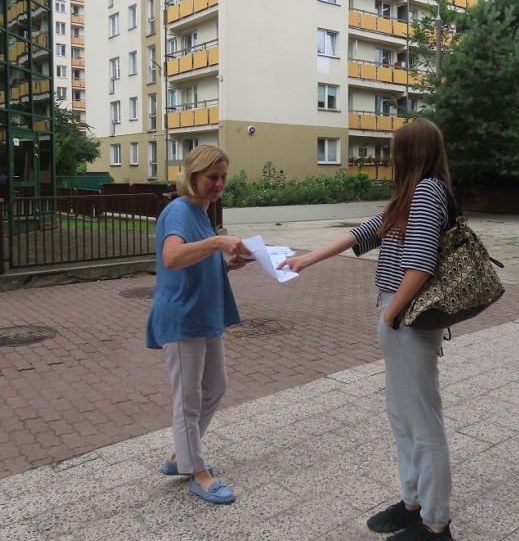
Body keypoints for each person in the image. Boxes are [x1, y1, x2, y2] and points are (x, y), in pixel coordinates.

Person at [279, 119, 455, 540]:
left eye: (395, 150)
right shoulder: (412, 196)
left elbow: (420, 265)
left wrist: (391, 314)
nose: (391, 157)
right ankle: (412, 503)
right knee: (402, 415)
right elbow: (362, 234)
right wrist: (305, 260)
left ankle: (436, 525)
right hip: (400, 316)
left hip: (407, 318)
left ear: (408, 153)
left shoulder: (427, 192)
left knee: (422, 421)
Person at [146, 145, 251, 505]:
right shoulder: (179, 211)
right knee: (188, 400)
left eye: (223, 177)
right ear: (193, 177)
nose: (219, 183)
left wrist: (225, 264)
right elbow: (172, 257)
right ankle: (198, 473)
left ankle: (181, 455)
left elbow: (197, 260)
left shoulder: (202, 212)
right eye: (212, 177)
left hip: (204, 315)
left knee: (216, 387)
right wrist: (219, 241)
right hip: (182, 317)